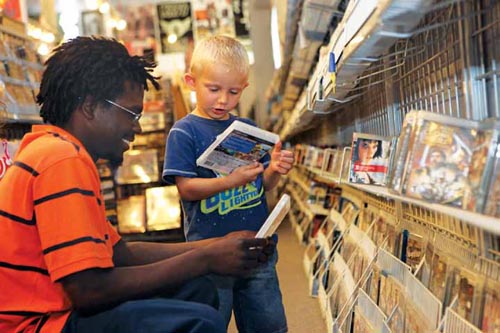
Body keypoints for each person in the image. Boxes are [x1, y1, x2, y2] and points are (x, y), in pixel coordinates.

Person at [0, 36, 275, 333]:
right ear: (91, 107)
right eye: (132, 113)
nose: (138, 126)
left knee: (198, 289)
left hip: (56, 314)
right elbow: (89, 290)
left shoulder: (57, 151)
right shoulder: (61, 160)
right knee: (200, 320)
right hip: (37, 325)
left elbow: (120, 254)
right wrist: (205, 258)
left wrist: (215, 246)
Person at [162, 35, 294, 333]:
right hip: (210, 254)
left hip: (257, 249)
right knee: (210, 323)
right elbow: (186, 189)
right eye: (214, 89)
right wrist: (231, 181)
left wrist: (273, 170)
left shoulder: (248, 130)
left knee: (269, 324)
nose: (223, 99)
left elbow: (263, 186)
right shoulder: (183, 133)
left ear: (244, 88)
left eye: (233, 92)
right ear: (191, 81)